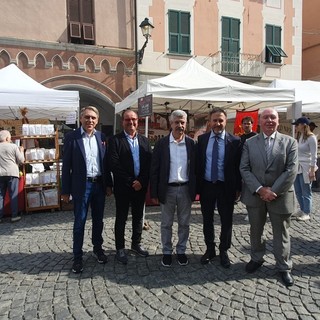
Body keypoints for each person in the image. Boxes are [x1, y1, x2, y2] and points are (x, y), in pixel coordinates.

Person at [240, 108, 298, 287]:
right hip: (256, 196)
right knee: (256, 230)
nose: (269, 120)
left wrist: (273, 191)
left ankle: (283, 267)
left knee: (281, 233)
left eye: (273, 117)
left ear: (278, 121)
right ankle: (257, 258)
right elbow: (244, 168)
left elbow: (291, 170)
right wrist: (259, 189)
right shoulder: (250, 143)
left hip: (280, 196)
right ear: (259, 121)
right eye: (266, 117)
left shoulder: (290, 142)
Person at [61, 106, 113, 274]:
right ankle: (77, 257)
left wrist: (108, 185)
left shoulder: (101, 137)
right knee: (79, 222)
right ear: (81, 119)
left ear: (97, 121)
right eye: (87, 117)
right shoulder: (72, 137)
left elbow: (106, 164)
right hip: (81, 186)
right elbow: (66, 166)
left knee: (98, 221)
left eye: (93, 118)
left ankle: (98, 249)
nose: (90, 120)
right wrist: (65, 190)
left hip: (98, 185)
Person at [150, 110, 196, 267]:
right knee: (166, 223)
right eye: (177, 122)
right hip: (167, 189)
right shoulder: (161, 144)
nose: (180, 125)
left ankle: (181, 250)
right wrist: (154, 192)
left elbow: (195, 169)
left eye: (183, 122)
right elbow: (154, 169)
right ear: (171, 124)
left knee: (184, 223)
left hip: (185, 188)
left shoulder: (191, 144)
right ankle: (167, 251)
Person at [197, 107, 242, 268]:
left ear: (225, 122)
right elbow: (198, 164)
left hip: (226, 187)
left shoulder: (235, 141)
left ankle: (224, 250)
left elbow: (238, 167)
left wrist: (238, 188)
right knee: (207, 219)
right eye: (214, 120)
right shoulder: (202, 140)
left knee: (226, 220)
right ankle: (210, 249)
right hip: (207, 186)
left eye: (220, 120)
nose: (217, 123)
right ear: (209, 122)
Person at [108, 110, 152, 265]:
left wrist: (141, 181)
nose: (131, 122)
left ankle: (136, 244)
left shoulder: (145, 141)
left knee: (139, 217)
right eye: (127, 119)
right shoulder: (114, 140)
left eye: (133, 119)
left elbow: (148, 164)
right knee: (121, 218)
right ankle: (120, 248)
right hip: (123, 187)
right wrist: (131, 181)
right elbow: (114, 164)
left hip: (140, 187)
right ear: (123, 122)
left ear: (138, 121)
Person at [292, 117, 318, 221]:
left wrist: (312, 171)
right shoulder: (300, 136)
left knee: (306, 190)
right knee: (298, 190)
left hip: (306, 167)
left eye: (297, 125)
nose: (296, 127)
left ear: (303, 125)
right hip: (298, 166)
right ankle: (302, 209)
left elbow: (314, 155)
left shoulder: (311, 138)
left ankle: (307, 212)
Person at [0, 130, 25, 223]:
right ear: (7, 138)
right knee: (13, 195)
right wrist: (21, 151)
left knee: (0, 196)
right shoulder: (13, 146)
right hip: (12, 173)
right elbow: (22, 160)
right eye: (10, 137)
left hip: (0, 174)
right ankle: (14, 216)